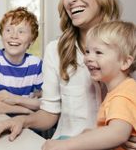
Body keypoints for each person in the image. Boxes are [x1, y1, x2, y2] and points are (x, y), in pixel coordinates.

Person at [0, 0, 131, 143]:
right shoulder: (56, 50)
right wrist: (21, 120)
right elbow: (49, 115)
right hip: (64, 143)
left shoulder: (126, 45)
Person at [42, 20, 136, 150]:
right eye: (87, 51)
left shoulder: (123, 95)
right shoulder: (121, 89)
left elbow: (117, 133)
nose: (88, 58)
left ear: (125, 62)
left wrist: (65, 145)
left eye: (98, 52)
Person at [0, 7, 43, 114]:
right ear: (2, 35)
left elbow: (48, 104)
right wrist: (27, 109)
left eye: (21, 32)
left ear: (32, 40)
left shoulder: (36, 64)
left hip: (28, 126)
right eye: (8, 30)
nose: (14, 36)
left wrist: (15, 99)